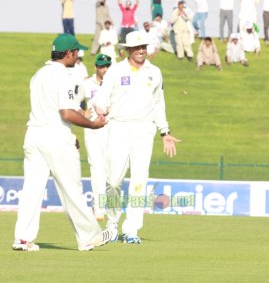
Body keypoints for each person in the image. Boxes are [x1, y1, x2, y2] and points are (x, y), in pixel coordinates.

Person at [12, 34, 112, 252]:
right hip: (55, 136)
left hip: (34, 135)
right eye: (76, 53)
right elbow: (66, 112)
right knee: (71, 188)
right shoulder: (65, 77)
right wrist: (93, 125)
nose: (78, 57)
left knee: (32, 189)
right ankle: (89, 237)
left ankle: (22, 238)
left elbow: (51, 110)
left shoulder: (38, 75)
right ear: (68, 53)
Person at [93, 31, 181, 244]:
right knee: (113, 181)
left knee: (139, 182)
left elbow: (159, 103)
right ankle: (112, 225)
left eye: (144, 46)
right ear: (128, 50)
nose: (142, 50)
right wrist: (100, 109)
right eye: (137, 47)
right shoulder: (115, 71)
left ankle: (131, 229)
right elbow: (101, 97)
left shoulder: (155, 72)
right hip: (119, 128)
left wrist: (165, 132)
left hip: (144, 130)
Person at [79, 54, 112, 221]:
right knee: (96, 166)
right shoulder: (86, 84)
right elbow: (72, 101)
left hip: (110, 130)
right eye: (102, 66)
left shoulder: (114, 83)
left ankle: (105, 204)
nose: (105, 69)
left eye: (107, 66)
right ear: (96, 68)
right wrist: (81, 112)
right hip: (91, 130)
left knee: (109, 169)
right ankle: (99, 208)